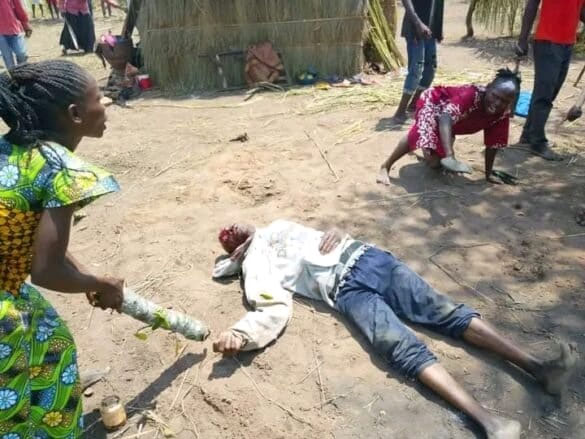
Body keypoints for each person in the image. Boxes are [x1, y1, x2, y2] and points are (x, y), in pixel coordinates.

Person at [211, 220, 577, 439]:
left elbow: (318, 236)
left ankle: (538, 368)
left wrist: (337, 230)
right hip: (347, 289)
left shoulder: (276, 225)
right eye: (229, 233)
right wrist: (242, 334)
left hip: (369, 256)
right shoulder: (254, 266)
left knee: (446, 312)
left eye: (232, 224)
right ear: (235, 251)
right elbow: (272, 307)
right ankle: (489, 422)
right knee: (402, 348)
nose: (232, 227)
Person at [0, 60, 125, 437]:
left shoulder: (11, 150)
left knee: (52, 344)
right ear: (75, 114)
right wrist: (102, 283)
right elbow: (47, 271)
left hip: (9, 283)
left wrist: (86, 278)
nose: (106, 103)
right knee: (14, 407)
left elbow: (35, 243)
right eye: (98, 97)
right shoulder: (58, 169)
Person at [377, 68, 520, 185]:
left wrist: (488, 174)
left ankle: (433, 144)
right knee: (419, 135)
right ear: (488, 88)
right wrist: (450, 156)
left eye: (504, 101)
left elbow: (493, 145)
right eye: (495, 96)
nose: (497, 103)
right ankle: (386, 166)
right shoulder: (471, 95)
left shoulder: (502, 114)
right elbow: (446, 118)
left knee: (435, 164)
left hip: (453, 123)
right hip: (434, 104)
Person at [515, 0, 585, 161]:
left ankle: (528, 135)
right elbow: (532, 5)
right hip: (547, 41)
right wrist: (522, 40)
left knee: (549, 92)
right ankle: (538, 143)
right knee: (544, 95)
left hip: (568, 43)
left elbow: (580, 10)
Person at [389, 0, 445, 126]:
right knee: (416, 70)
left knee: (430, 70)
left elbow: (437, 4)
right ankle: (400, 112)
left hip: (430, 31)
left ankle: (413, 105)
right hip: (414, 29)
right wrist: (418, 23)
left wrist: (438, 29)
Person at [0, 0, 32, 69]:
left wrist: (25, 24)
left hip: (13, 28)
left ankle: (23, 72)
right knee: (8, 58)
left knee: (21, 53)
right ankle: (13, 74)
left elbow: (18, 8)